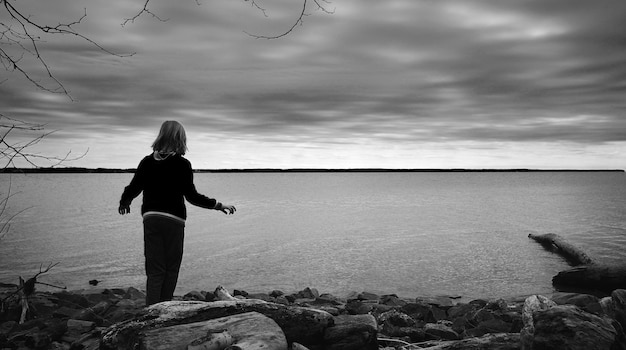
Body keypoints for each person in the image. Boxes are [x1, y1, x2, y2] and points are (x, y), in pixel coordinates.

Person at [118, 120, 236, 306]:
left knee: (155, 269)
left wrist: (125, 201)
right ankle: (164, 310)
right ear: (181, 139)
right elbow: (192, 196)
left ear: (161, 136)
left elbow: (134, 187)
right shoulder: (182, 164)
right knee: (171, 269)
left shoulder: (147, 162)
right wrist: (218, 205)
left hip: (151, 218)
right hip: (173, 220)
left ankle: (151, 311)